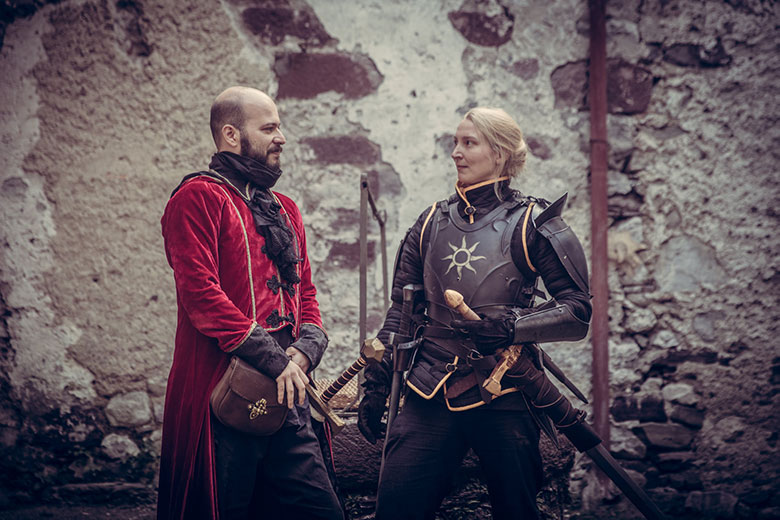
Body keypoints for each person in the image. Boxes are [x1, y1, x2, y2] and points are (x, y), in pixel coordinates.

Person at [357, 107, 592, 519]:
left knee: (517, 511)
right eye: (456, 142)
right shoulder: (430, 222)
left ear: (499, 154)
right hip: (429, 386)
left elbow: (577, 312)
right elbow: (403, 312)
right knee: (397, 506)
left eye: (469, 143)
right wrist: (376, 383)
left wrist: (511, 327)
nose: (456, 152)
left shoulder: (533, 223)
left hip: (506, 388)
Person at [157, 86, 344, 520]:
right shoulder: (198, 198)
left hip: (288, 392)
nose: (281, 137)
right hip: (223, 391)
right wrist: (275, 359)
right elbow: (201, 296)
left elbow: (305, 293)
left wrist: (307, 348)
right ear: (231, 135)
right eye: (269, 128)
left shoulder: (285, 209)